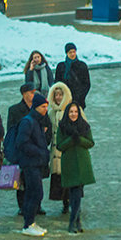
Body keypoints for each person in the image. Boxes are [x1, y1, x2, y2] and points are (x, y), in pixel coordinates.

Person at [55, 102, 94, 233]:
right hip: (69, 163)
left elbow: (90, 143)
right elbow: (59, 145)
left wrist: (80, 140)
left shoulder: (84, 126)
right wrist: (72, 139)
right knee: (74, 192)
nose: (73, 114)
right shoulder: (63, 126)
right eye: (71, 112)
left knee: (76, 193)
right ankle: (74, 222)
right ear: (67, 113)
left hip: (83, 164)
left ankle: (75, 222)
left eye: (76, 112)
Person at [16, 92, 51, 235]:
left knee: (34, 193)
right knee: (35, 193)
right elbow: (21, 143)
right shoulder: (28, 121)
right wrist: (40, 152)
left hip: (36, 163)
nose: (45, 109)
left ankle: (31, 223)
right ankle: (28, 225)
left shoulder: (37, 120)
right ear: (36, 107)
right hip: (30, 164)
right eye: (43, 106)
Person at [6, 82, 37, 214]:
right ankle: (22, 206)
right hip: (21, 150)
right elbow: (11, 131)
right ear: (24, 94)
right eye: (32, 92)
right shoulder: (14, 110)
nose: (34, 95)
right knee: (21, 180)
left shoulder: (39, 108)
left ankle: (37, 205)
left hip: (36, 149)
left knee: (36, 180)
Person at [47, 81, 76, 215]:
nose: (58, 97)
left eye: (60, 94)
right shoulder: (51, 113)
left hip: (69, 150)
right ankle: (65, 202)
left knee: (71, 177)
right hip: (55, 151)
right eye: (56, 95)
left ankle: (73, 201)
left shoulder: (72, 110)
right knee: (59, 178)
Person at [55, 42, 91, 108]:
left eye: (74, 52)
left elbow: (87, 84)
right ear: (66, 53)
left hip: (79, 100)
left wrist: (80, 97)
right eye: (70, 52)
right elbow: (57, 83)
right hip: (64, 99)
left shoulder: (82, 65)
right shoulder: (61, 66)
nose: (72, 54)